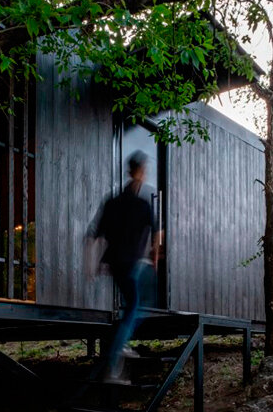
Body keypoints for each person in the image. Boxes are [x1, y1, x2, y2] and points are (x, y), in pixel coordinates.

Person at [92, 150, 156, 383]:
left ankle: (122, 341)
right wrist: (154, 257)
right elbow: (157, 234)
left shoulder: (112, 201)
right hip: (130, 263)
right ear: (139, 172)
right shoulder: (141, 204)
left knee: (133, 303)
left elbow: (96, 235)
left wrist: (93, 264)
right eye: (145, 171)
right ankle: (117, 352)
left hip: (114, 264)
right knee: (141, 302)